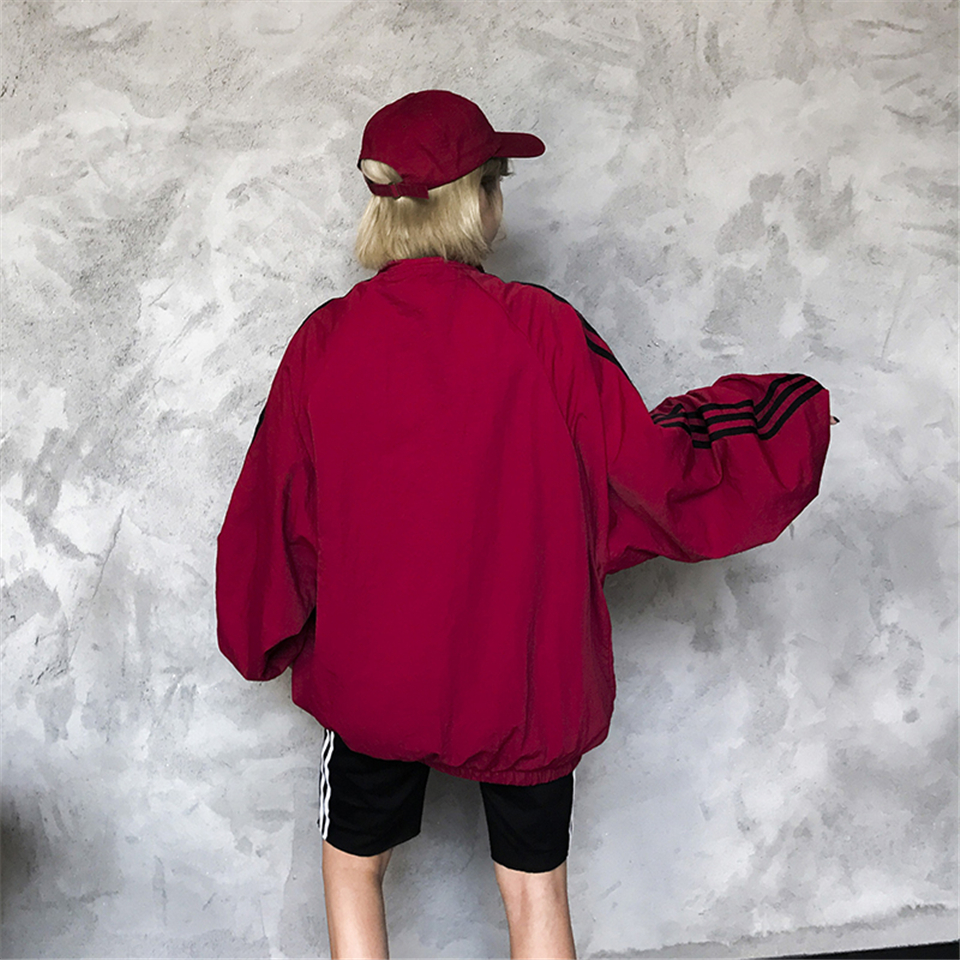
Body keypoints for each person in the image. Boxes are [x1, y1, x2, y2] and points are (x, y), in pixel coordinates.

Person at [216, 90, 833, 960]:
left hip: (376, 677)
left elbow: (276, 511)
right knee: (535, 889)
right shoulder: (542, 328)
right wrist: (782, 422)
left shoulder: (324, 340)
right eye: (495, 183)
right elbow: (649, 475)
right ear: (475, 201)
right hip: (527, 679)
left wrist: (259, 636)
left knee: (356, 865)